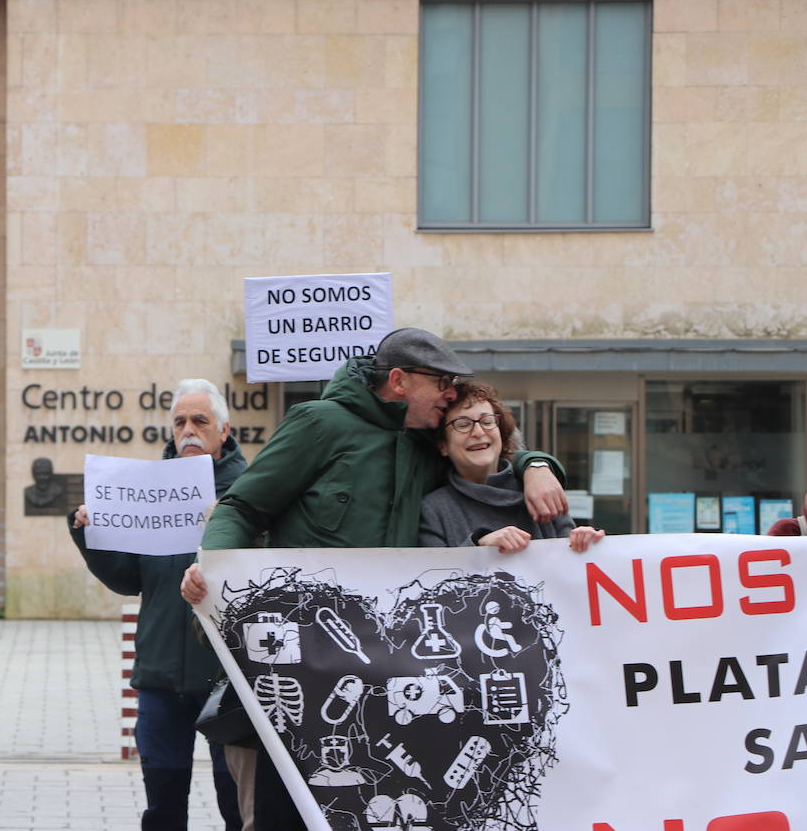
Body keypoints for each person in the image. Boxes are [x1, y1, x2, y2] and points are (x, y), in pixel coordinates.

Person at [180, 328, 568, 831]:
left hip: (383, 680)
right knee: (286, 812)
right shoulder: (318, 424)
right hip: (305, 665)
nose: (451, 393)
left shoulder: (426, 441)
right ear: (400, 380)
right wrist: (216, 576)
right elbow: (243, 505)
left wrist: (536, 465)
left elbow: (481, 445)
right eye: (442, 382)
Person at [69, 379, 245, 831]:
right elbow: (128, 578)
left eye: (200, 421)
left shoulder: (251, 492)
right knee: (163, 808)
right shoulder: (148, 491)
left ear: (225, 430)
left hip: (230, 677)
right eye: (180, 421)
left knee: (237, 804)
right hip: (161, 675)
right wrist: (92, 535)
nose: (188, 430)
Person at [419, 380, 604, 553]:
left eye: (487, 421)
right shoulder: (433, 510)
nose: (478, 432)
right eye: (463, 424)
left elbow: (570, 566)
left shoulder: (541, 490)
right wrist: (480, 547)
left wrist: (584, 543)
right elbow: (434, 580)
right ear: (443, 445)